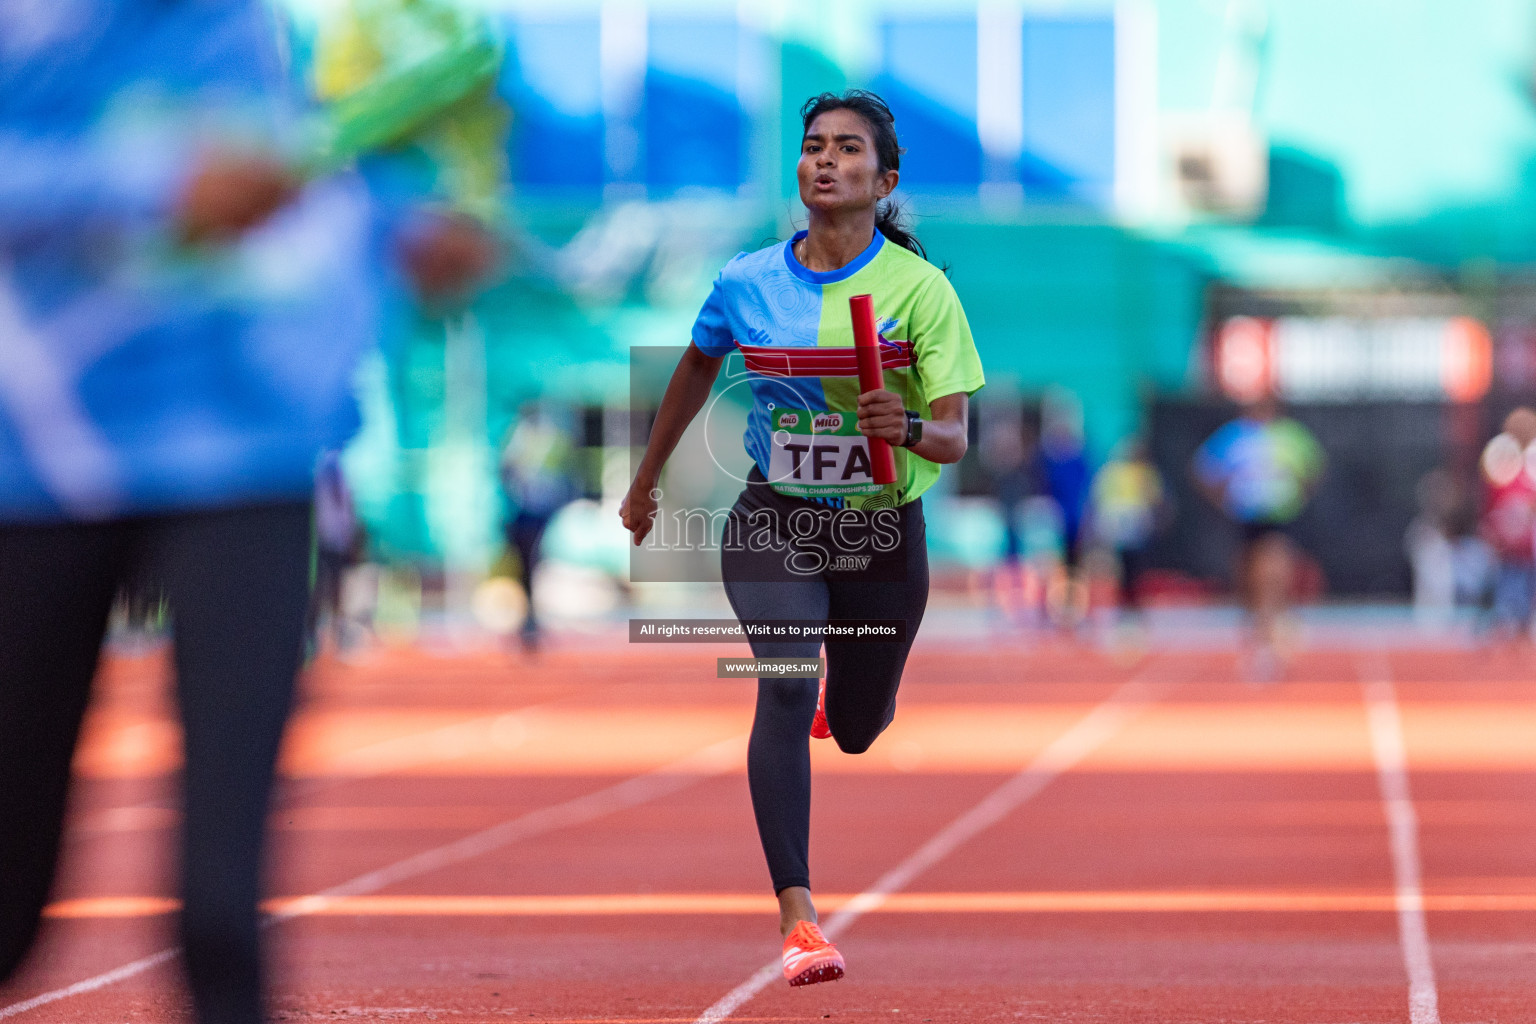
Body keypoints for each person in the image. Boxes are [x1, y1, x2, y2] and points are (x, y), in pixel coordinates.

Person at [0, 3, 381, 1023]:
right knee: (7, 906)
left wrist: (397, 232)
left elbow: (294, 190)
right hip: (40, 458)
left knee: (222, 909)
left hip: (243, 451)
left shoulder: (242, 22)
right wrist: (155, 186)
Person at [619, 90, 984, 987]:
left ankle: (842, 698)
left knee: (857, 728)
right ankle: (799, 919)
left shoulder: (919, 293)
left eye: (847, 150)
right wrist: (645, 477)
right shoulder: (747, 283)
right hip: (774, 518)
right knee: (782, 682)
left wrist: (902, 428)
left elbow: (954, 437)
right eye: (813, 146)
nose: (824, 161)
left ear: (883, 179)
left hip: (882, 531)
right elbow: (698, 364)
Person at [1192, 396, 1324, 680]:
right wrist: (1223, 497)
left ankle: (1272, 629)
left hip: (1279, 516)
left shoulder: (1289, 435)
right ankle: (1258, 628)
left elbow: (1314, 467)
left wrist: (1298, 493)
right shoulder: (1235, 435)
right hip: (1246, 517)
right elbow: (1204, 467)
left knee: (1273, 570)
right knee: (1250, 576)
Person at [498, 403, 579, 651]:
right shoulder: (528, 439)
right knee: (527, 568)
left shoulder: (528, 439)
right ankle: (530, 621)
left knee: (531, 567)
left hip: (535, 513)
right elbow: (507, 471)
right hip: (527, 513)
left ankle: (531, 621)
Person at [1090, 437, 1167, 617]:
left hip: (1135, 525)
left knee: (1134, 566)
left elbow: (1156, 500)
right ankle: (1126, 602)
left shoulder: (1141, 472)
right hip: (1122, 526)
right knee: (1125, 566)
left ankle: (1131, 602)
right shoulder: (1117, 472)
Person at [1478, 407, 1536, 642]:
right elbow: (1491, 499)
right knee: (1507, 577)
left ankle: (1522, 620)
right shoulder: (1499, 456)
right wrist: (1492, 527)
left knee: (1526, 578)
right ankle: (1506, 618)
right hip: (1507, 539)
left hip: (1529, 538)